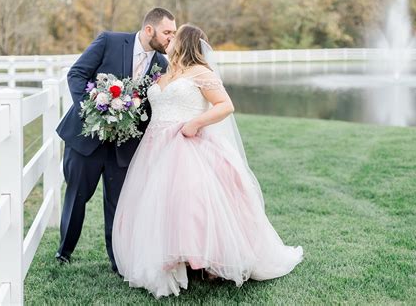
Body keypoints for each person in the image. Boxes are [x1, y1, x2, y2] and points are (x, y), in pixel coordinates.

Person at [112, 24, 303, 298]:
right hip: (154, 148)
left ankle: (204, 259)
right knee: (157, 203)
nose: (168, 39)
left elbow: (226, 105)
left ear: (184, 42)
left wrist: (196, 123)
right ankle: (168, 259)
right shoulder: (164, 73)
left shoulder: (200, 72)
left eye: (173, 36)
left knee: (190, 202)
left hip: (186, 144)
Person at [55, 7, 176, 274]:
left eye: (173, 33)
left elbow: (152, 107)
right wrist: (96, 110)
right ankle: (64, 252)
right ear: (149, 30)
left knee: (119, 204)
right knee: (76, 196)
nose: (171, 38)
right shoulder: (108, 41)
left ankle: (117, 260)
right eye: (167, 32)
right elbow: (76, 75)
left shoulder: (161, 65)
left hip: (124, 147)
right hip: (87, 137)